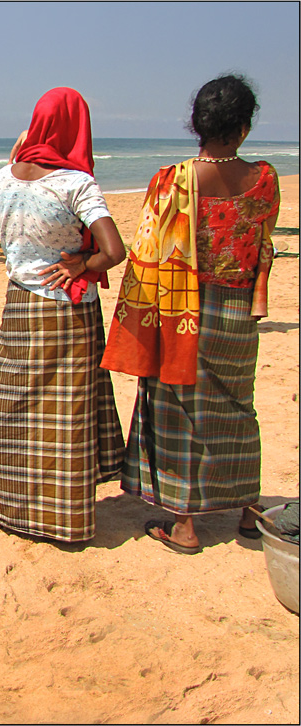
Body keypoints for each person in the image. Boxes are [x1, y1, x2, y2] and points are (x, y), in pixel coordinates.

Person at [101, 74, 280, 554]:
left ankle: (185, 526)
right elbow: (264, 241)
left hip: (183, 309)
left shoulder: (170, 181)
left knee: (178, 409)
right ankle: (247, 509)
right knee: (237, 408)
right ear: (243, 128)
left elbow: (148, 251)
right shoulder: (264, 178)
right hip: (239, 312)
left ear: (197, 125)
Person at [0, 87, 127, 543]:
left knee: (14, 409)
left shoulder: (6, 176)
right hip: (67, 312)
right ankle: (62, 519)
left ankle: (2, 508)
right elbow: (115, 251)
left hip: (20, 303)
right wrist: (82, 264)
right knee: (63, 416)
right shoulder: (75, 183)